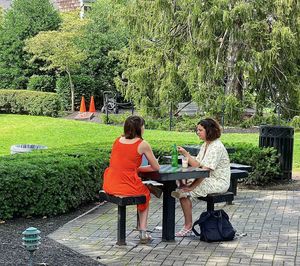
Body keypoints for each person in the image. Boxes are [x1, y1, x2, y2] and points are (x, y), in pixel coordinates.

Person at [103, 115, 160, 244]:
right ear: (139, 128)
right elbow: (155, 167)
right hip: (126, 183)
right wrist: (139, 169)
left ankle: (150, 189)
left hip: (110, 182)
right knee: (145, 195)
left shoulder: (117, 140)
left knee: (142, 187)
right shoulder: (142, 144)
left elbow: (121, 164)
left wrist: (136, 169)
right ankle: (143, 231)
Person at [172, 118, 230, 237]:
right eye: (197, 130)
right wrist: (185, 154)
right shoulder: (206, 145)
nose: (197, 132)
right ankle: (172, 192)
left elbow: (205, 171)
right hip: (208, 178)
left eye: (200, 130)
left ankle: (187, 226)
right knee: (181, 185)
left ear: (209, 131)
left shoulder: (216, 147)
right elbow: (197, 165)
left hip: (218, 182)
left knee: (182, 191)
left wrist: (191, 186)